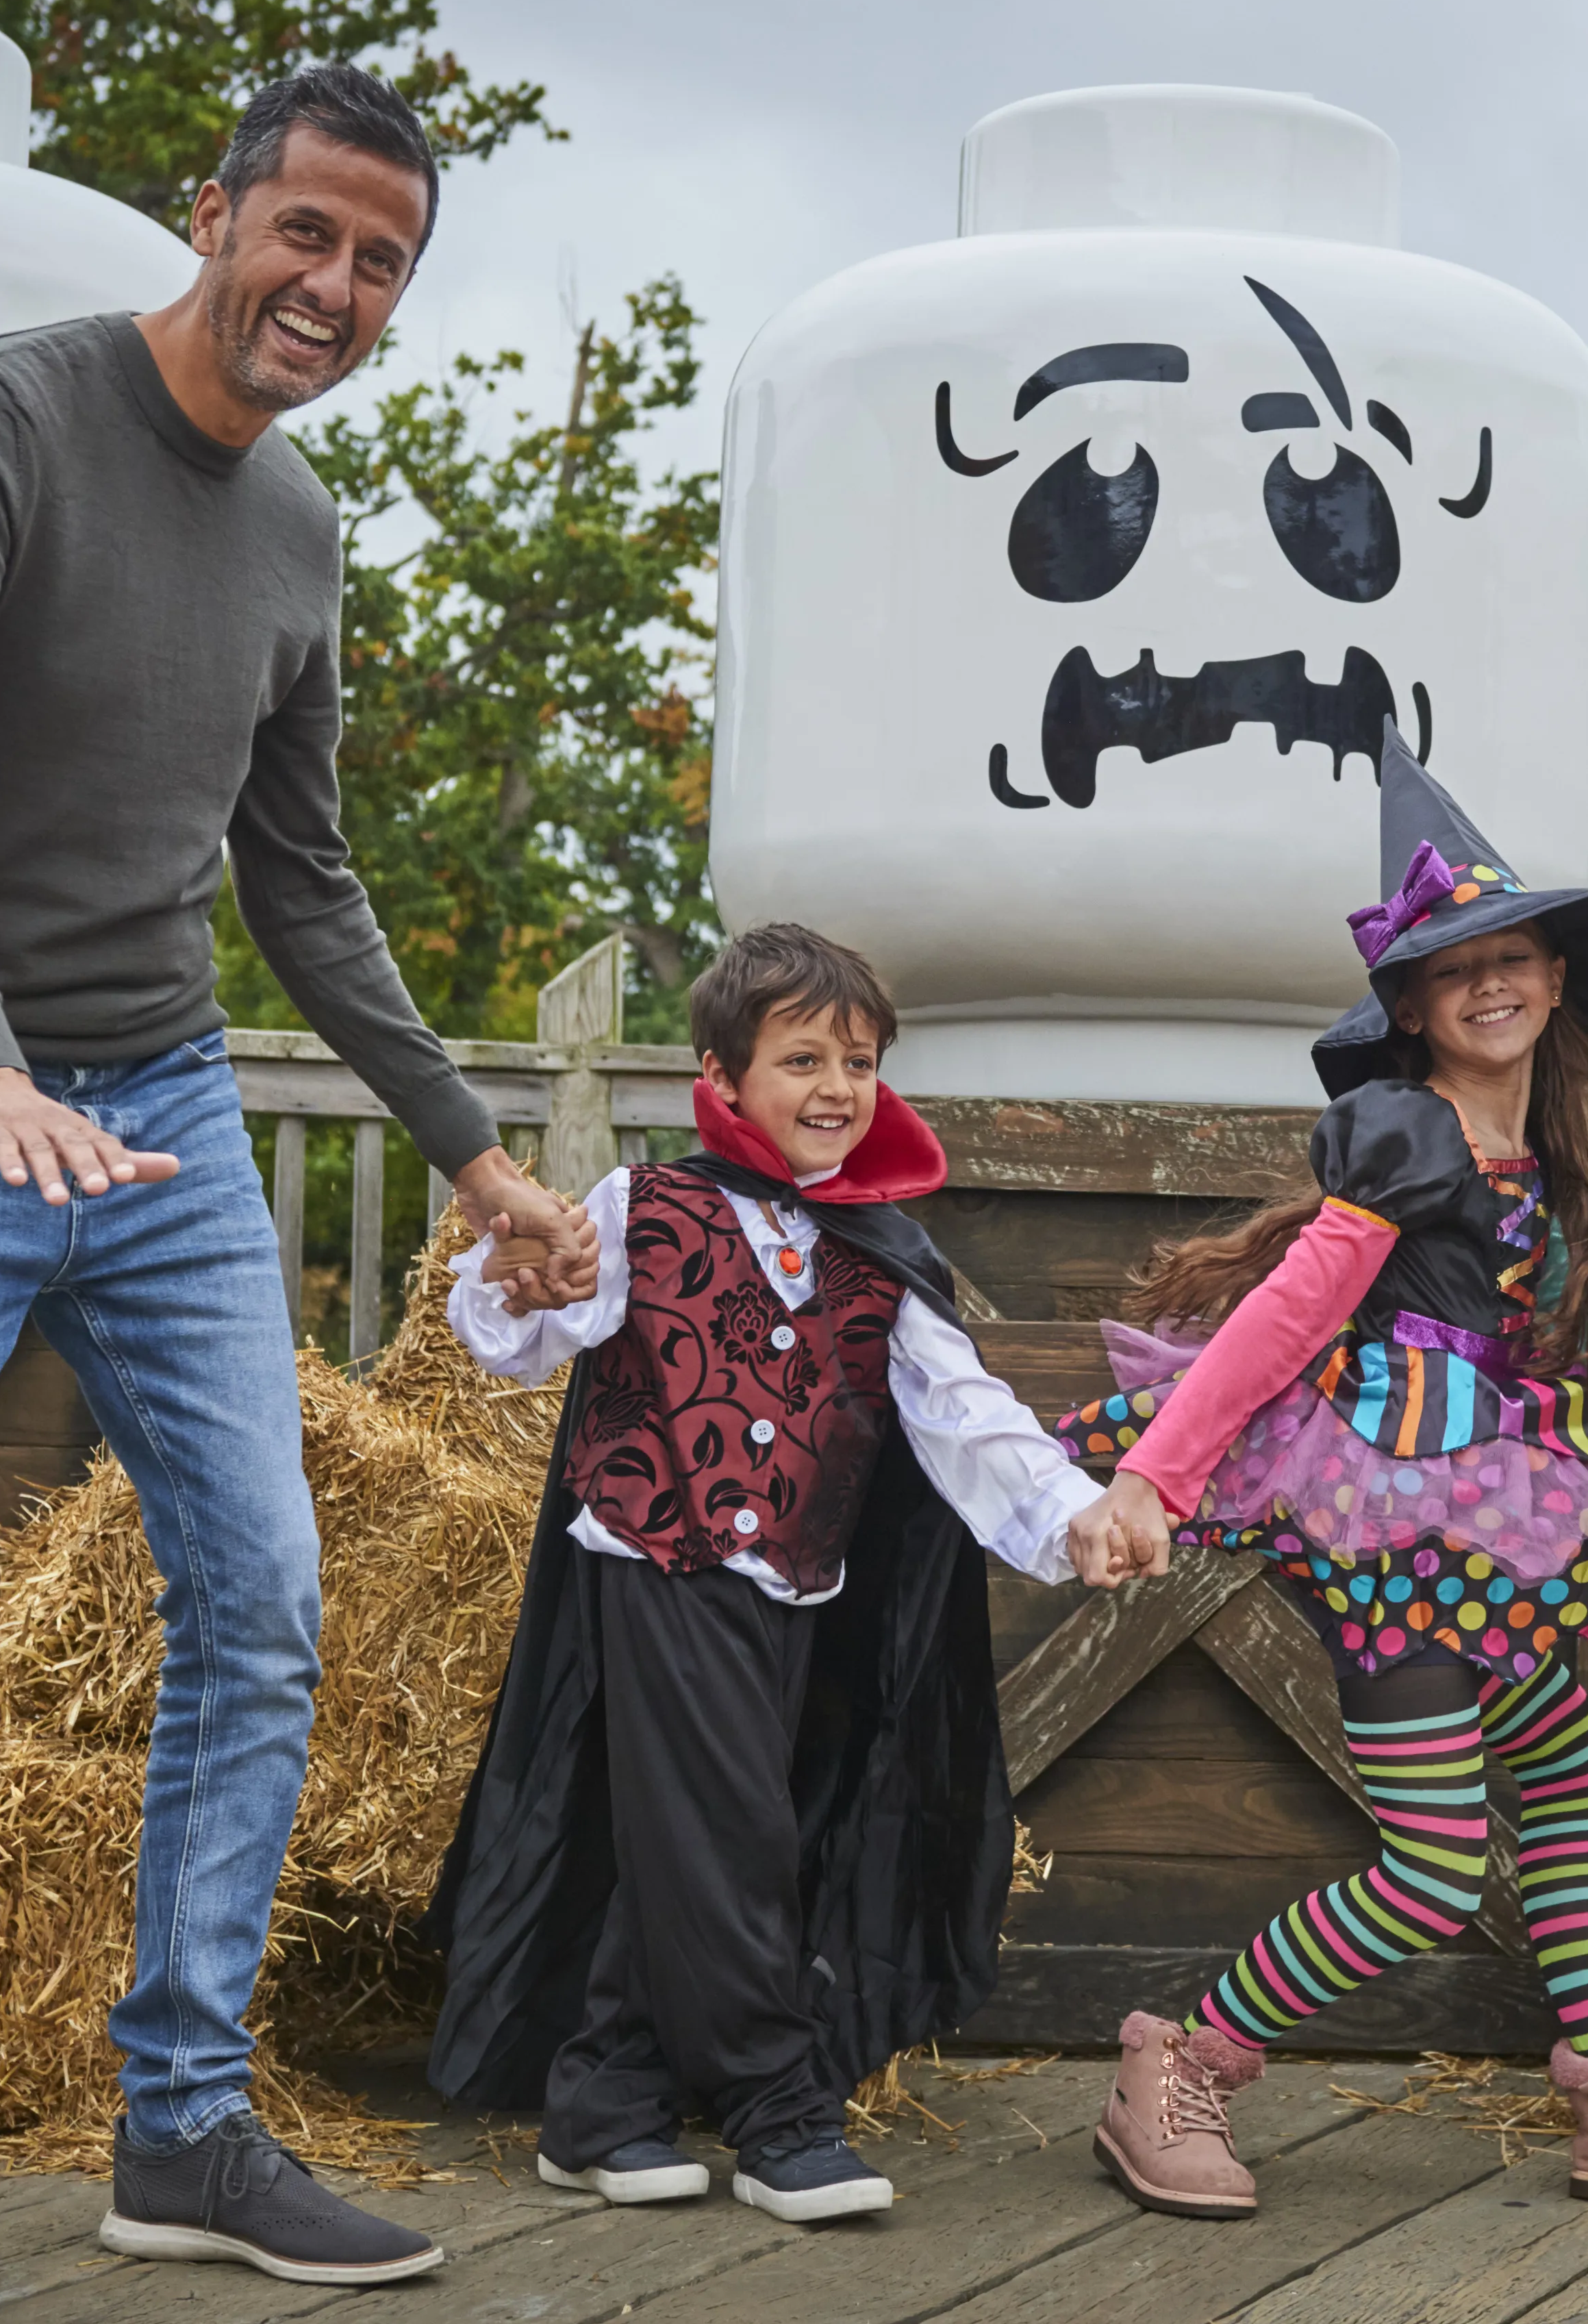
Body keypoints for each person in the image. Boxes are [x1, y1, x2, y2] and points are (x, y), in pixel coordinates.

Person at [0, 64, 594, 2324]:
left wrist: (481, 1153)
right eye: (305, 233)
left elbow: (301, 884)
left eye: (383, 262)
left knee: (263, 1590)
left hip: (154, 1110)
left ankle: (184, 2124)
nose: (334, 286)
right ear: (211, 211)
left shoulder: (300, 533)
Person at [1061, 756, 1588, 2219]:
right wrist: (1151, 1474)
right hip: (1393, 1527)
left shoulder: (1549, 1154)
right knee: (1435, 1864)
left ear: (1554, 974)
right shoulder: (1402, 1134)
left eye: (1511, 956)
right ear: (1407, 1006)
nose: (1490, 984)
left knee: (1570, 1765)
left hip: (1489, 1531)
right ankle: (1178, 2064)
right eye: (1454, 970)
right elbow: (1282, 1323)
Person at [420, 923, 1154, 2221]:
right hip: (655, 1556)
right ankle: (778, 2108)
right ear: (723, 1073)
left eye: (859, 1062)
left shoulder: (883, 1254)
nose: (835, 1087)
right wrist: (519, 1287)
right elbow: (523, 1332)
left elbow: (964, 1415)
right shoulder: (643, 1207)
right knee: (732, 1829)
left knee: (699, 1827)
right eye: (802, 1057)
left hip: (798, 1588)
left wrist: (1076, 1515)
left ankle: (606, 2094)